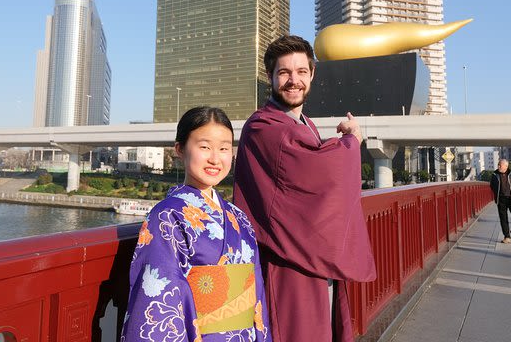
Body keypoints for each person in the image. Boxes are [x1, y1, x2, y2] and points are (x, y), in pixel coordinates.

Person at [233, 35, 376, 342]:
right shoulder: (262, 126)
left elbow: (311, 174)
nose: (293, 80)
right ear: (270, 77)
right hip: (285, 262)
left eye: (300, 72)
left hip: (311, 255)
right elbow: (321, 169)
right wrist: (351, 140)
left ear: (312, 75)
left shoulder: (305, 124)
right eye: (284, 72)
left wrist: (337, 145)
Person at [121, 106, 270, 341]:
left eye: (223, 148)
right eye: (204, 147)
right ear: (179, 149)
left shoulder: (239, 217)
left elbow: (257, 294)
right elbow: (160, 297)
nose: (215, 158)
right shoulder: (167, 217)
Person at [489, 159, 511, 243]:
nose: (498, 166)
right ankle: (507, 236)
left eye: (500, 165)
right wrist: (497, 194)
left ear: (506, 166)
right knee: (503, 219)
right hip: (501, 199)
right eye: (498, 164)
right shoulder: (495, 174)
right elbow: (492, 185)